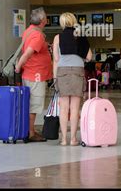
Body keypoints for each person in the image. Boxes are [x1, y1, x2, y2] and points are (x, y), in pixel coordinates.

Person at [53, 13, 92, 146]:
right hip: (77, 72)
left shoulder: (57, 38)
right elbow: (90, 57)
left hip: (62, 72)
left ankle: (64, 139)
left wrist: (54, 78)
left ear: (62, 23)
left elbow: (56, 60)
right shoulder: (80, 36)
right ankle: (73, 139)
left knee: (63, 108)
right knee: (75, 108)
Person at [15, 8, 52, 143]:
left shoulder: (28, 31)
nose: (47, 19)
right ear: (42, 20)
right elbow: (28, 53)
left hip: (30, 73)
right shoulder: (38, 35)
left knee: (30, 104)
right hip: (36, 74)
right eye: (46, 17)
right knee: (34, 104)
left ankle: (30, 130)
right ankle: (30, 133)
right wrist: (18, 68)